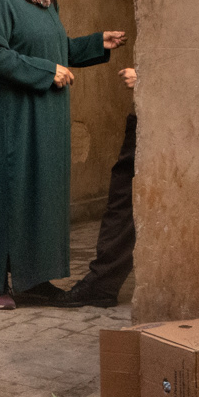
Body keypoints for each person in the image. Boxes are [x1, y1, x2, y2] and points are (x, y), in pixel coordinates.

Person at [0, 0, 126, 310]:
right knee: (11, 192)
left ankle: (34, 279)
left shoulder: (45, 0)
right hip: (14, 119)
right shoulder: (2, 0)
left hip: (46, 117)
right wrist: (45, 72)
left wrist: (94, 44)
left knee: (40, 193)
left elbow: (55, 49)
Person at [59, 66, 138, 307]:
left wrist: (148, 79)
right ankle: (102, 283)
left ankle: (102, 283)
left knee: (125, 201)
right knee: (125, 200)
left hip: (163, 117)